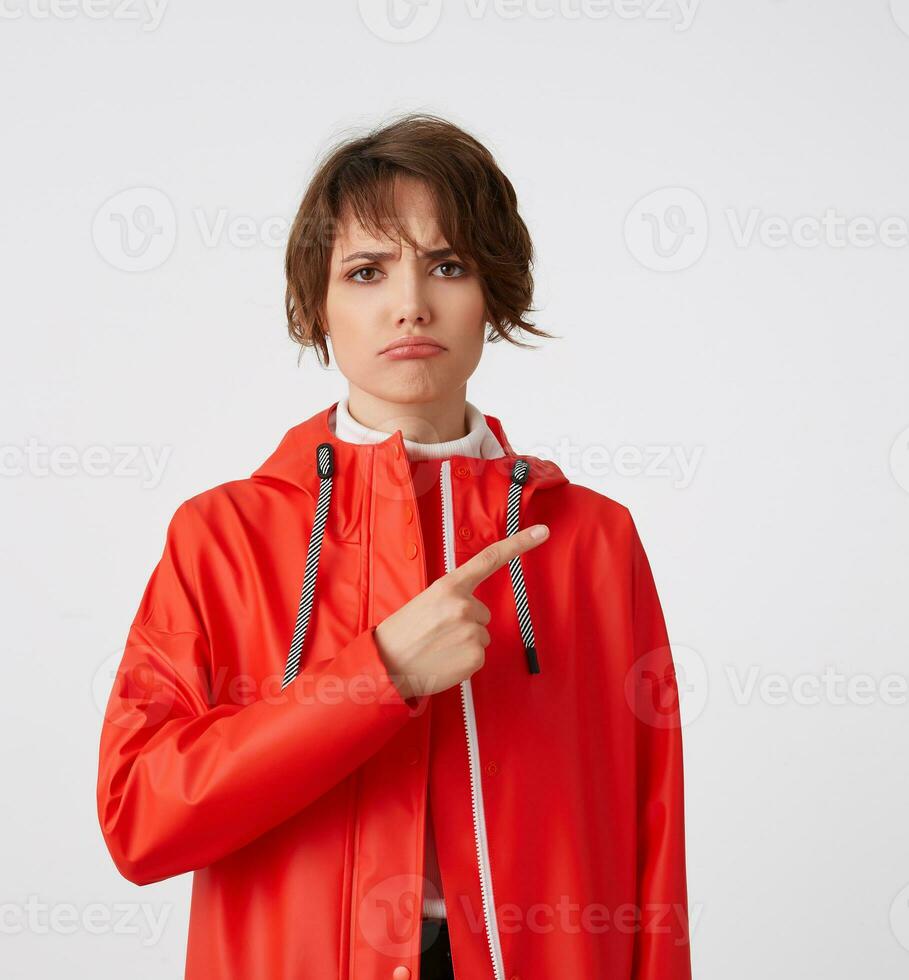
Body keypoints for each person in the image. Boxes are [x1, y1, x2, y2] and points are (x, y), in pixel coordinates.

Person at [95, 113, 692, 980]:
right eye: (367, 271)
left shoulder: (592, 539)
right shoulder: (222, 535)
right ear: (318, 306)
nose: (410, 302)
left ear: (494, 292)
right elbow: (139, 821)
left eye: (447, 265)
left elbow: (653, 830)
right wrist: (378, 676)